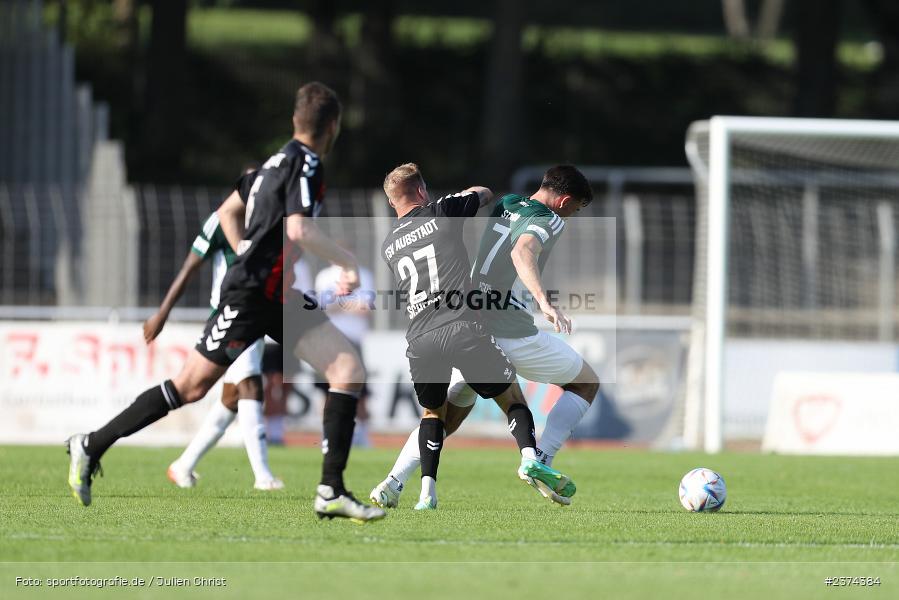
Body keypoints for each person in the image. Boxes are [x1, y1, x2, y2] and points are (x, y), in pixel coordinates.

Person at [66, 82, 385, 523]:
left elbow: (226, 213)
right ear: (334, 126)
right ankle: (91, 443)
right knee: (190, 387)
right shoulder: (307, 165)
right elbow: (299, 231)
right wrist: (347, 261)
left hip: (277, 295)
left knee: (346, 368)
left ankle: (331, 489)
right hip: (252, 297)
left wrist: (244, 254)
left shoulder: (269, 165)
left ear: (295, 120)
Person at [371, 165, 599, 507]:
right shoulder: (551, 219)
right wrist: (544, 302)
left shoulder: (507, 202)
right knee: (586, 383)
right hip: (510, 330)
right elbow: (522, 251)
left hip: (471, 325)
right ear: (565, 201)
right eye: (576, 209)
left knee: (443, 418)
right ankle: (541, 461)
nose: (572, 215)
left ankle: (393, 481)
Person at [142, 204, 284, 491]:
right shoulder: (220, 221)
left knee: (232, 398)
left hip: (257, 312)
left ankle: (184, 465)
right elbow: (189, 267)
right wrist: (163, 312)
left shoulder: (270, 223)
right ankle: (263, 476)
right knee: (250, 384)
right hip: (229, 315)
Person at [313, 257, 375, 447]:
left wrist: (339, 304)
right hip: (329, 339)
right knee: (327, 391)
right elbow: (320, 307)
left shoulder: (363, 274)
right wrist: (350, 304)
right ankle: (328, 435)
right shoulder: (324, 276)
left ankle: (361, 436)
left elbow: (366, 308)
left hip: (354, 340)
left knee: (360, 392)